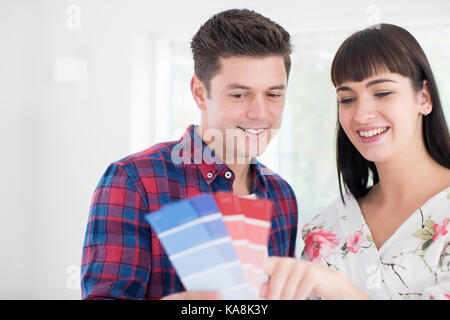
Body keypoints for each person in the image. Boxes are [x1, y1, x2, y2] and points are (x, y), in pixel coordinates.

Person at [80, 9, 298, 300]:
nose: (260, 113)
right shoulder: (135, 182)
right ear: (198, 92)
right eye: (239, 95)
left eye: (273, 95)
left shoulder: (282, 196)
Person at [261, 23, 450, 300]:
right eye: (347, 99)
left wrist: (336, 289)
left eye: (382, 93)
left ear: (424, 97)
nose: (361, 115)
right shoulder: (324, 230)